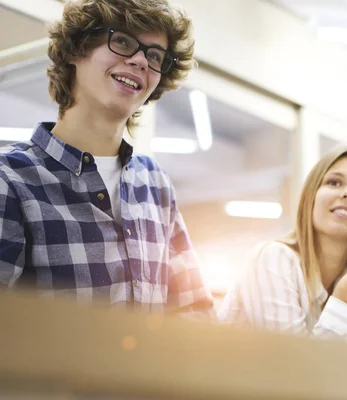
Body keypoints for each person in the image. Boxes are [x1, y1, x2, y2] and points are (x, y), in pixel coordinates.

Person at [0, 0, 213, 315]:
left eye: (155, 56)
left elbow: (192, 309)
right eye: (123, 41)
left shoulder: (155, 183)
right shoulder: (11, 180)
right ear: (76, 50)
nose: (141, 60)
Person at [218, 148, 347, 340]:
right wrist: (346, 290)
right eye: (334, 182)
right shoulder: (272, 258)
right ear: (310, 200)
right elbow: (297, 366)